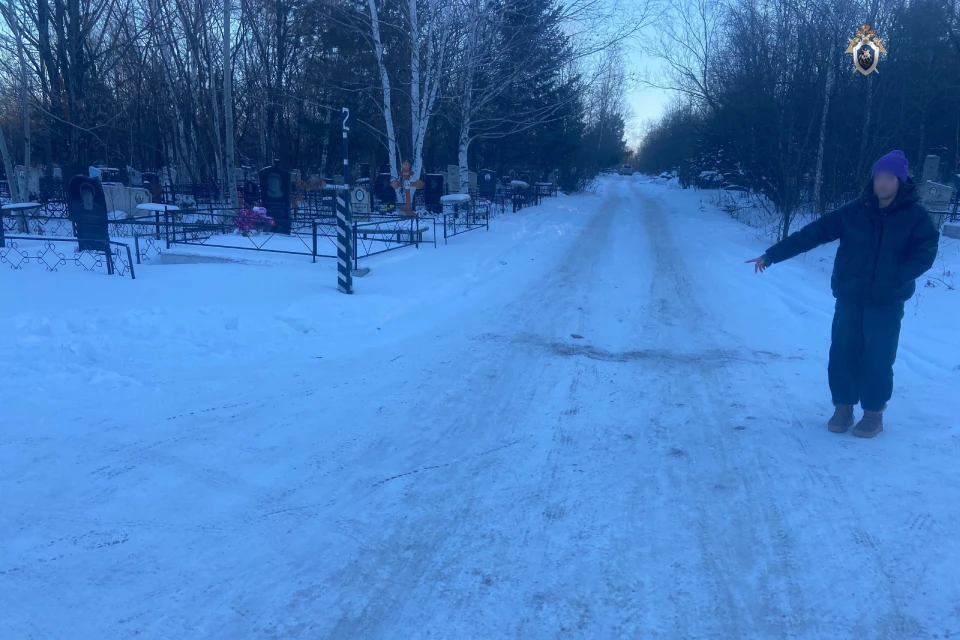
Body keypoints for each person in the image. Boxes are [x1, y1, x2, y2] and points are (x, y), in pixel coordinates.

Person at [746, 150, 940, 438]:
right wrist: (772, 255)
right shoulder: (855, 210)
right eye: (878, 177)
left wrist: (897, 277)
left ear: (900, 181)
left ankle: (873, 413)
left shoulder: (916, 217)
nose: (883, 183)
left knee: (878, 356)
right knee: (842, 352)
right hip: (850, 297)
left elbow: (925, 252)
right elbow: (813, 233)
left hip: (887, 301)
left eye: (889, 178)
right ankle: (843, 407)